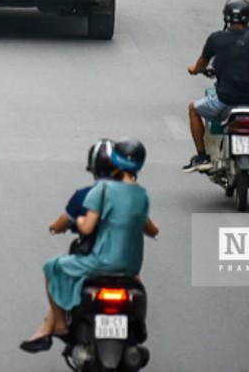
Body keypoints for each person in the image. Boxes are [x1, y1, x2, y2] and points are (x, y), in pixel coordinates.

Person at [20, 140, 158, 353]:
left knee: (52, 267)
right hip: (132, 266)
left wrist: (76, 223)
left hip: (101, 261)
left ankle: (57, 323)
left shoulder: (100, 191)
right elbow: (152, 229)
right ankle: (136, 326)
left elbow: (84, 227)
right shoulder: (141, 194)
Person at [185, 0, 249, 174]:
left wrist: (193, 69)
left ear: (226, 18)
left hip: (225, 102)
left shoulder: (216, 39)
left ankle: (201, 156)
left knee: (193, 109)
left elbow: (200, 66)